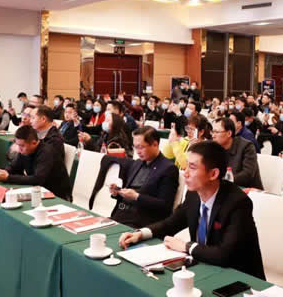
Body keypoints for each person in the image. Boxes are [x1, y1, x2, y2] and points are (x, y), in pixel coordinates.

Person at [118, 141, 266, 279]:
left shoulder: (238, 203)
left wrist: (186, 246)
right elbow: (171, 223)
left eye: (193, 167)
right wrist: (141, 234)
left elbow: (225, 254)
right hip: (203, 266)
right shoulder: (193, 195)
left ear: (213, 174)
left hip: (239, 278)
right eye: (186, 166)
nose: (185, 173)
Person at [108, 126, 179, 228]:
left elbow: (165, 206)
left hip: (141, 222)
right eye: (135, 147)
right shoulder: (137, 163)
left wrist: (137, 197)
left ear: (155, 144)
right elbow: (129, 192)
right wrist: (117, 192)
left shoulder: (168, 168)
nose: (137, 151)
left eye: (141, 147)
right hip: (120, 215)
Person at [0, 125, 72, 201]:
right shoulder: (24, 151)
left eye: (22, 146)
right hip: (37, 191)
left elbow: (37, 179)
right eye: (18, 145)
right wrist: (2, 172)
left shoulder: (47, 152)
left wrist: (8, 178)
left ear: (34, 143)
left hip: (57, 196)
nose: (19, 149)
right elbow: (13, 167)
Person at [212, 117, 263, 189]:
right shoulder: (214, 147)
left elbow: (248, 174)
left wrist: (224, 180)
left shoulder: (246, 146)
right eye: (212, 132)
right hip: (223, 188)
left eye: (216, 132)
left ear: (229, 133)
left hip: (246, 189)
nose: (213, 136)